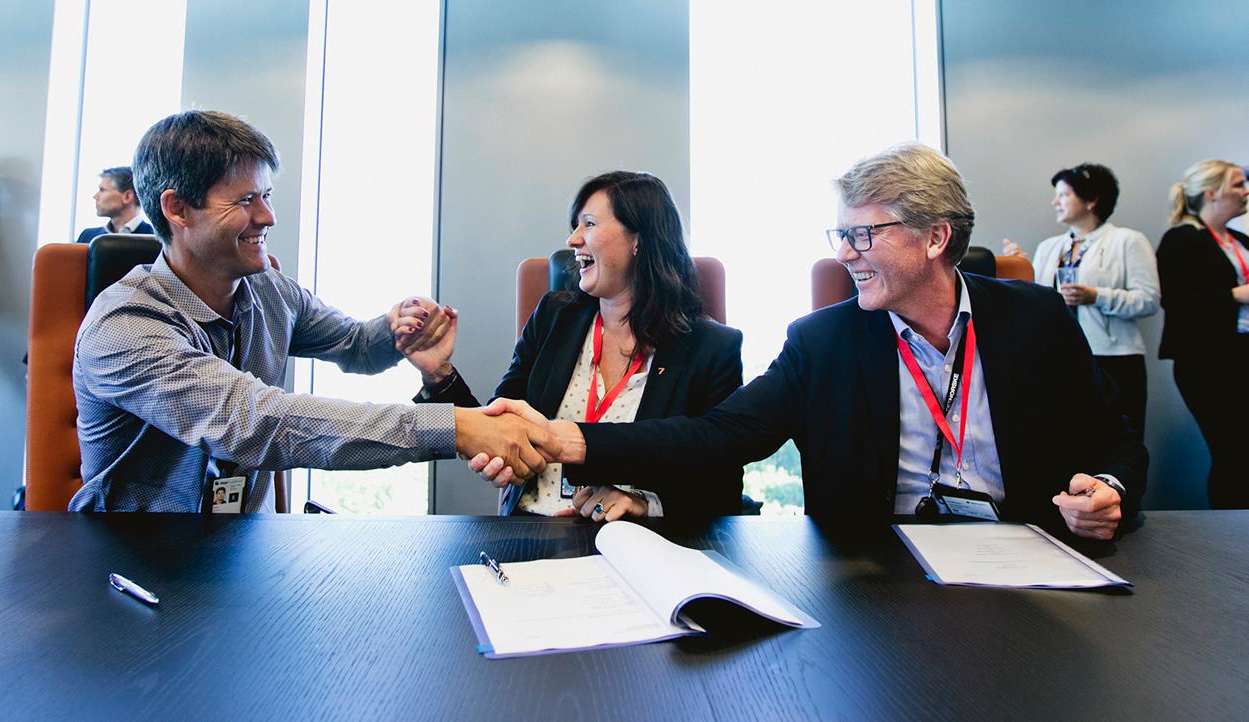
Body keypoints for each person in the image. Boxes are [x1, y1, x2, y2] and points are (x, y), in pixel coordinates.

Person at [477, 143, 1147, 540]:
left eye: (865, 235)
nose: (848, 255)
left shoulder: (1035, 320)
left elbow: (1116, 437)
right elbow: (719, 436)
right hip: (879, 582)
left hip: (1029, 562)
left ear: (935, 238)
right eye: (842, 236)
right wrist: (576, 441)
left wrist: (1109, 487)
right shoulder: (823, 343)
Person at [68, 110, 551, 512]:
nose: (268, 217)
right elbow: (255, 421)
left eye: (267, 196)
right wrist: (456, 427)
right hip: (131, 564)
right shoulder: (124, 326)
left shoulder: (269, 290)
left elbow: (355, 346)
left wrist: (398, 329)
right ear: (176, 208)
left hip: (235, 557)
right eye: (245, 200)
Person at [411, 171, 743, 520]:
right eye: (575, 225)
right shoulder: (554, 317)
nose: (572, 239)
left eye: (589, 224)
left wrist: (646, 505)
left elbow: (721, 490)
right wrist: (439, 374)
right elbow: (497, 424)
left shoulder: (712, 348)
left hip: (639, 543)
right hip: (531, 533)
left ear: (639, 239)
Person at [1002, 163, 1159, 437]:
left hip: (1115, 360)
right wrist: (1019, 267)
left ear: (1091, 199)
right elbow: (1038, 303)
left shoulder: (1128, 241)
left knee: (1121, 441)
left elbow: (1148, 300)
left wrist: (1096, 296)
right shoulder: (1049, 247)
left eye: (1063, 195)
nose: (1055, 202)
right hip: (1059, 356)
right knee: (1070, 440)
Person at [1156, 160, 1249, 509]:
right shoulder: (1181, 239)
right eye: (1238, 184)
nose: (1246, 192)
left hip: (1242, 352)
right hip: (1207, 361)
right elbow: (1175, 300)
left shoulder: (1240, 240)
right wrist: (1234, 296)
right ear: (1211, 193)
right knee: (1232, 451)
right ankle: (1231, 536)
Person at [77, 166, 154, 241]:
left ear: (127, 196)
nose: (95, 196)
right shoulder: (87, 236)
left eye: (102, 190)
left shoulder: (155, 239)